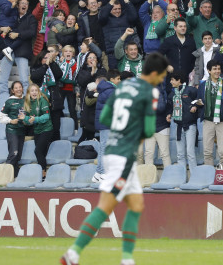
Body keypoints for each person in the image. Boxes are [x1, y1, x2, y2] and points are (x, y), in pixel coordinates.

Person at [60, 53, 170, 265]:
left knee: (136, 205)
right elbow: (148, 130)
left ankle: (126, 259)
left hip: (113, 151)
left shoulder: (122, 89)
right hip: (123, 156)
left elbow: (104, 117)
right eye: (161, 76)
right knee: (106, 207)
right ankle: (73, 253)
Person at [196, 60, 223, 167]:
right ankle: (209, 176)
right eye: (214, 69)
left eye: (219, 69)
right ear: (209, 71)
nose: (217, 71)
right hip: (208, 121)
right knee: (207, 152)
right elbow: (198, 100)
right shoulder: (203, 85)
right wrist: (198, 104)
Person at [0, 81, 27, 176]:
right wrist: (11, 121)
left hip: (22, 131)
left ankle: (14, 176)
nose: (18, 89)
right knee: (13, 154)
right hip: (12, 130)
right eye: (16, 88)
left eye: (20, 87)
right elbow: (1, 117)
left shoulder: (26, 100)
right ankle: (5, 176)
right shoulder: (9, 101)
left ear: (23, 88)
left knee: (18, 156)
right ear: (12, 90)